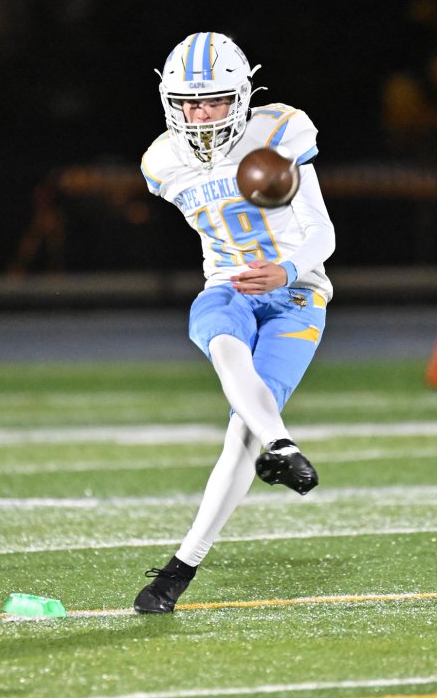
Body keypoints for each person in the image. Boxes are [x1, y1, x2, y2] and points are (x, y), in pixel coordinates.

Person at [134, 31, 335, 614]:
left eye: (215, 100)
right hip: (227, 286)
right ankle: (284, 444)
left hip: (298, 293)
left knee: (241, 433)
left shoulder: (278, 132)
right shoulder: (162, 162)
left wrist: (288, 268)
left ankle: (180, 570)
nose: (200, 114)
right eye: (189, 102)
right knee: (222, 336)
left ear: (242, 97)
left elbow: (321, 231)